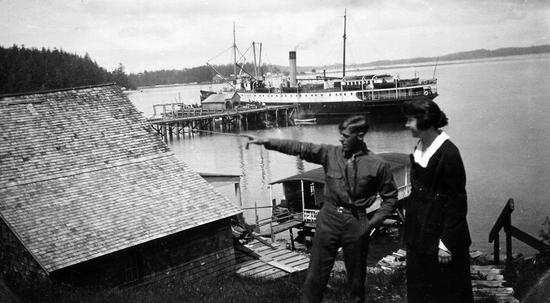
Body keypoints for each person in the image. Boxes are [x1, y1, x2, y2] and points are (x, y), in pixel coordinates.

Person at [247, 115, 398, 303]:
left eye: (345, 135)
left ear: (359, 136)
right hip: (329, 218)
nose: (341, 139)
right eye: (340, 135)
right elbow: (301, 147)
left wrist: (369, 225)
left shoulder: (378, 165)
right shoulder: (330, 153)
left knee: (356, 282)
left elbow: (390, 199)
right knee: (315, 278)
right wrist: (268, 142)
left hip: (356, 223)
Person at [401, 99, 474, 303]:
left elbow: (457, 203)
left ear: (424, 121)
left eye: (410, 120)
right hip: (419, 238)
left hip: (440, 240)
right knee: (420, 292)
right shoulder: (421, 146)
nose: (406, 125)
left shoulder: (448, 153)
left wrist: (446, 244)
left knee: (445, 294)